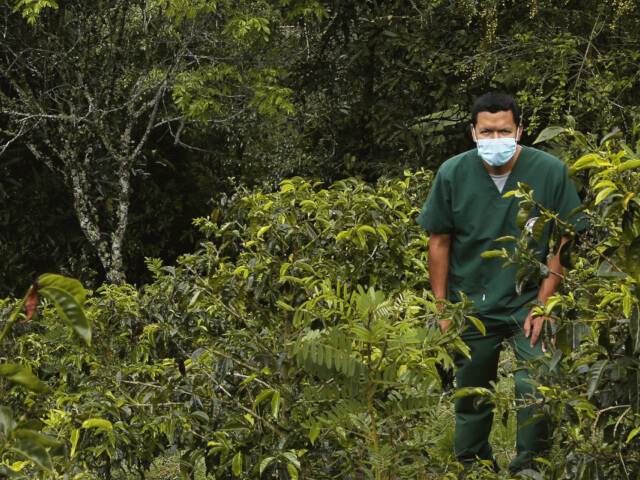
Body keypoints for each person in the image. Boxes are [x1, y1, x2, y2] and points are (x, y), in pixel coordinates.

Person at [416, 92, 585, 474]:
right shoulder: (453, 173)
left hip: (529, 297)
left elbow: (564, 239)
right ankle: (474, 465)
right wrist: (443, 307)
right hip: (471, 300)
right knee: (471, 396)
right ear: (473, 132)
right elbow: (439, 241)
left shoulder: (550, 171)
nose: (496, 139)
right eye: (487, 132)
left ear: (520, 130)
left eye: (504, 131)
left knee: (536, 387)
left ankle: (530, 465)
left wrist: (545, 304)